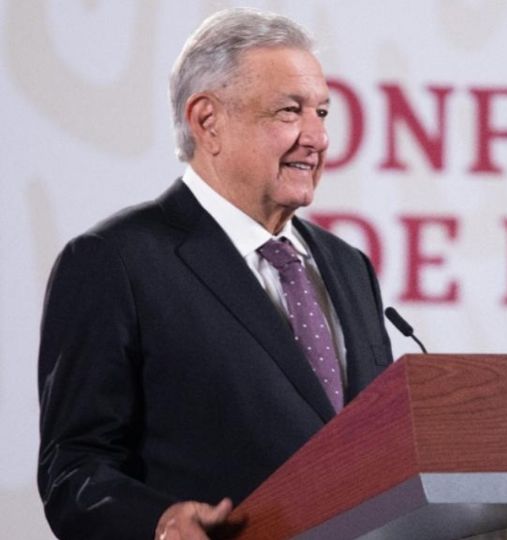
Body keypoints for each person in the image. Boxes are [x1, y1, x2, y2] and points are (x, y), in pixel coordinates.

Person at [36, 8, 394, 539]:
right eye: (289, 111)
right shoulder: (116, 261)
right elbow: (74, 469)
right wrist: (157, 521)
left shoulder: (347, 266)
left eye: (322, 112)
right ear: (207, 121)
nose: (317, 137)